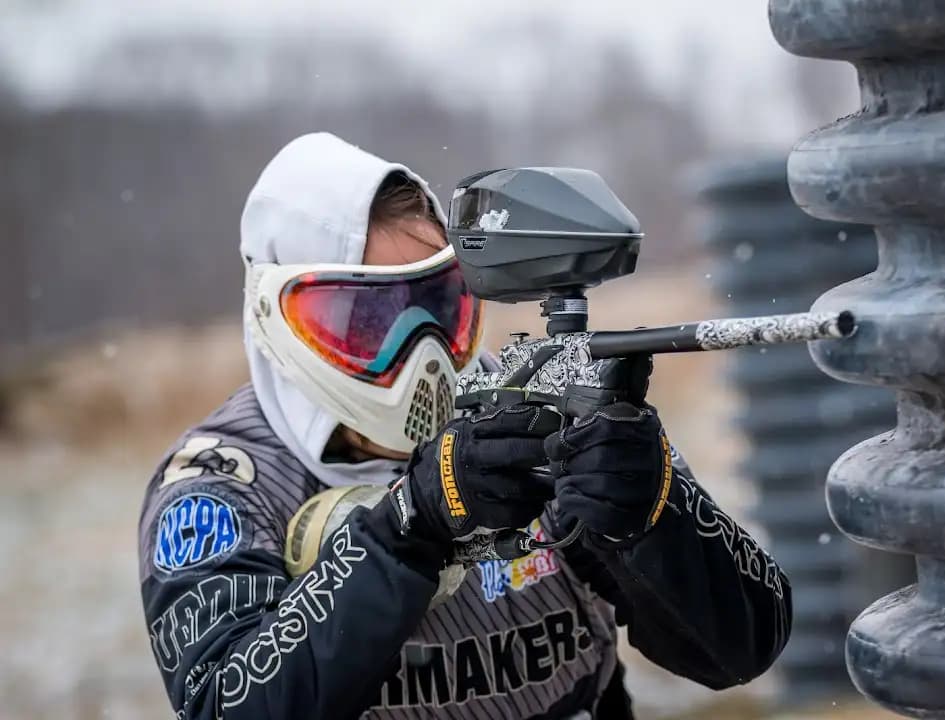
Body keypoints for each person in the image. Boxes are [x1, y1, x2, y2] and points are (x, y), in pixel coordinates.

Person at [138, 132, 791, 720]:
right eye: (367, 322)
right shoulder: (226, 483)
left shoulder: (540, 410)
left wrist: (652, 516)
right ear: (279, 321)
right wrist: (409, 527)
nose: (420, 356)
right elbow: (227, 705)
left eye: (436, 306)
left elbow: (746, 647)